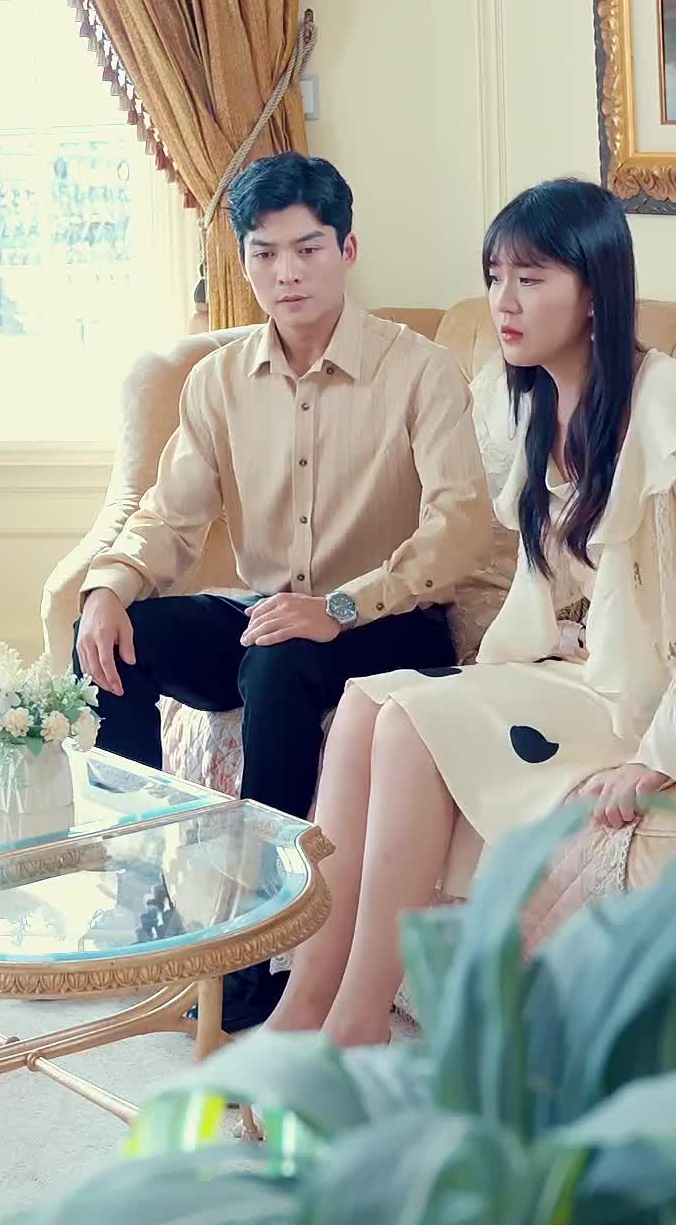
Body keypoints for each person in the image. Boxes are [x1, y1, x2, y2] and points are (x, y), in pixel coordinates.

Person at [266, 177, 676, 1047]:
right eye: (496, 276)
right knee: (361, 707)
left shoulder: (668, 402)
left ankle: (354, 1022)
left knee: (411, 726)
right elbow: (563, 584)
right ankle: (304, 1004)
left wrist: (659, 751)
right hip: (583, 666)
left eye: (530, 279)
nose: (504, 300)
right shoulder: (533, 402)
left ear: (594, 290)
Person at [74, 151, 494, 1029]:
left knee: (278, 660)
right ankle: (142, 897)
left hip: (390, 622)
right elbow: (170, 518)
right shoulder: (219, 382)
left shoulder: (420, 373)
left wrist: (339, 609)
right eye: (264, 254)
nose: (287, 272)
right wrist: (109, 585)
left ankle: (256, 951)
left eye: (307, 249)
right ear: (244, 261)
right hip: (267, 616)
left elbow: (458, 530)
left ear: (348, 249)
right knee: (122, 640)